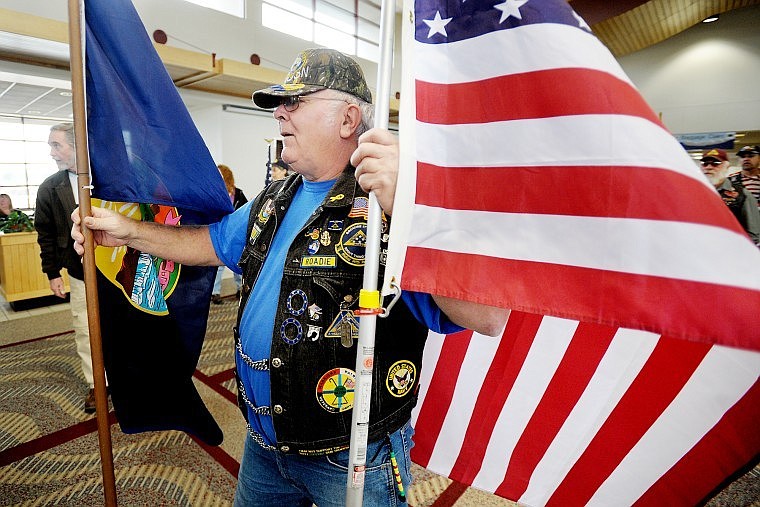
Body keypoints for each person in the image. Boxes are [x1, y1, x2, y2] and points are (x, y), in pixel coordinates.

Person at [72, 48, 507, 506]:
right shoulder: (275, 196)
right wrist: (131, 233)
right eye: (280, 104)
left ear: (347, 119)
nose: (279, 113)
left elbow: (486, 315)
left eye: (295, 103)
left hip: (351, 454)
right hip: (264, 443)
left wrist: (415, 213)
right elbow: (211, 242)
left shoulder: (392, 206)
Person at [36, 123, 97, 413]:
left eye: (56, 145)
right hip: (78, 272)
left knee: (121, 327)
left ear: (77, 146)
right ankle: (97, 385)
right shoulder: (49, 187)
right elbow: (44, 234)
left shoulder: (108, 178)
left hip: (119, 270)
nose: (51, 152)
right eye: (50, 145)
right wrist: (52, 273)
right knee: (85, 328)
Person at [700, 148, 760, 245]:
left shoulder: (742, 194)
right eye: (705, 163)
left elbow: (753, 233)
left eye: (715, 163)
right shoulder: (695, 191)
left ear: (726, 166)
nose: (709, 167)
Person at [212, 164, 248, 304]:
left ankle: (240, 289)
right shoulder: (215, 193)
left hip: (237, 234)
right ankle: (215, 293)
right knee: (219, 266)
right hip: (221, 233)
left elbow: (245, 210)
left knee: (238, 263)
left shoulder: (238, 193)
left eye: (220, 174)